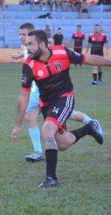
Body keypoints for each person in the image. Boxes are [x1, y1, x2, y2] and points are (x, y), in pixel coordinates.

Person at [11, 29, 111, 188]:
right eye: (26, 44)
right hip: (47, 104)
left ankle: (51, 178)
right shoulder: (29, 65)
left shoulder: (62, 52)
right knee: (63, 144)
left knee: (47, 130)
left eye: (31, 44)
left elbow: (89, 59)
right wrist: (17, 125)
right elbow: (23, 97)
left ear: (42, 44)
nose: (27, 48)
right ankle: (90, 128)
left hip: (65, 98)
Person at [11, 23, 95, 162]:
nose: (21, 37)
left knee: (32, 116)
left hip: (41, 91)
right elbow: (26, 57)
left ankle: (38, 152)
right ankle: (90, 123)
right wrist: (18, 55)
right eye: (20, 34)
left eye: (24, 34)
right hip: (38, 91)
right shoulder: (28, 48)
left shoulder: (37, 48)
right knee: (56, 122)